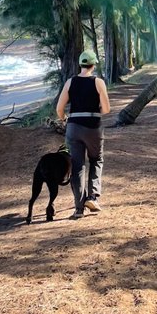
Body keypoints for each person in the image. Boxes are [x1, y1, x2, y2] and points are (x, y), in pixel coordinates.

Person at [55, 49, 111, 219]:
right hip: (94, 127)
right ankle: (93, 197)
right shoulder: (98, 82)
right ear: (93, 65)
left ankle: (79, 208)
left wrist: (65, 119)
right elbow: (107, 109)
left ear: (80, 64)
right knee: (96, 160)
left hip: (73, 127)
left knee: (77, 166)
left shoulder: (70, 82)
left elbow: (59, 109)